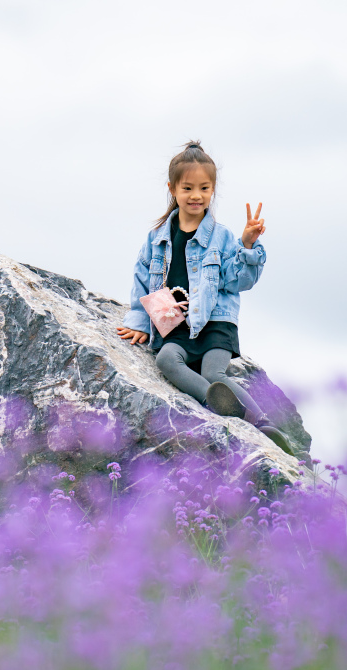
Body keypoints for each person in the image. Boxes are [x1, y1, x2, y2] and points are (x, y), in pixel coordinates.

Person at [115, 141, 294, 455]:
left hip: (216, 323)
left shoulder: (223, 237)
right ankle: (219, 404)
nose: (195, 195)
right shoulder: (156, 239)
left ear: (213, 190)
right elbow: (142, 282)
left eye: (204, 188)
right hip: (177, 327)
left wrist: (247, 246)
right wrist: (140, 322)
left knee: (214, 372)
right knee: (166, 359)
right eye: (187, 188)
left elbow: (238, 281)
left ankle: (263, 424)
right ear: (172, 189)